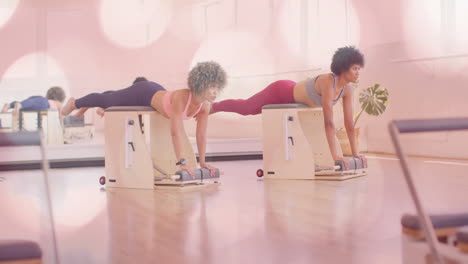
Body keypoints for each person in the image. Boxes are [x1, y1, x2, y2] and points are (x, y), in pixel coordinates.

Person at [61, 62, 227, 177]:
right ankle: (75, 103)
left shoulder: (204, 106)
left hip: (158, 94)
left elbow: (201, 136)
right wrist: (181, 162)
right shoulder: (182, 97)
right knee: (108, 101)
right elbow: (175, 132)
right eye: (211, 87)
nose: (215, 92)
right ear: (200, 84)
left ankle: (99, 99)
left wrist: (203, 162)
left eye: (217, 87)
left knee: (114, 97)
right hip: (145, 92)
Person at [211, 46, 367, 168]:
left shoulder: (347, 89)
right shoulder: (328, 81)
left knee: (254, 111)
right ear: (342, 68)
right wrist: (335, 157)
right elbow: (329, 122)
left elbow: (349, 124)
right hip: (280, 91)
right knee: (246, 109)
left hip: (293, 96)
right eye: (354, 68)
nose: (358, 72)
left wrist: (355, 154)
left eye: (359, 69)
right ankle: (214, 107)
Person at [2, 86, 66, 116]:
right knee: (28, 103)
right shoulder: (58, 104)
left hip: (35, 101)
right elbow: (60, 116)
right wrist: (61, 127)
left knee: (26, 104)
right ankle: (19, 105)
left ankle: (9, 105)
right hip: (42, 103)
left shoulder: (44, 100)